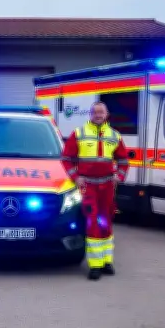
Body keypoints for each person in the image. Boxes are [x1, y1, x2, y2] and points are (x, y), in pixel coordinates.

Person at [61, 101, 129, 281]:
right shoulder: (79, 133)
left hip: (107, 186)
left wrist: (119, 177)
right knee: (92, 222)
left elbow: (123, 161)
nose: (98, 115)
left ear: (107, 114)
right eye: (95, 112)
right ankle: (95, 266)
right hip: (88, 186)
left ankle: (107, 261)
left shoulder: (114, 135)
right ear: (90, 114)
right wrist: (76, 177)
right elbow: (66, 158)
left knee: (106, 222)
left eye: (101, 112)